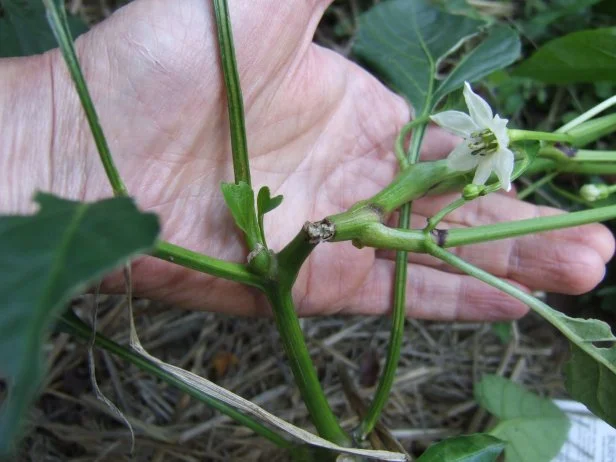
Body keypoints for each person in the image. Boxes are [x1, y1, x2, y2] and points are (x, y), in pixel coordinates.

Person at [0, 0, 613, 320]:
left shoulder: (480, 162)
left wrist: (56, 141)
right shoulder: (467, 140)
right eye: (486, 140)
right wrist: (57, 136)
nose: (483, 145)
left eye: (488, 145)